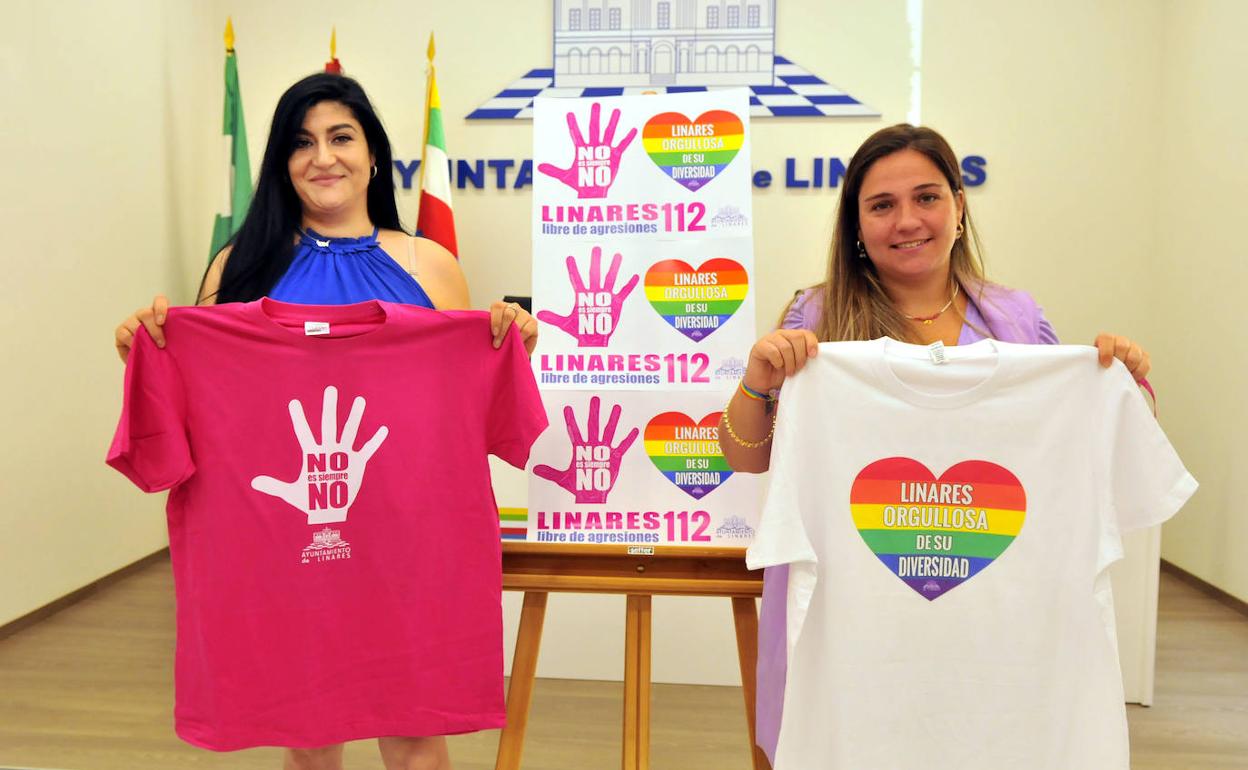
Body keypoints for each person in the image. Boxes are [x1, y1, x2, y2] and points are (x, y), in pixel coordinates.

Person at [112, 72, 536, 770]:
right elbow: (201, 398)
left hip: (406, 544)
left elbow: (457, 403)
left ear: (374, 155)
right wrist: (140, 348)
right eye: (301, 143)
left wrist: (509, 341)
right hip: (286, 548)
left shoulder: (430, 265)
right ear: (282, 161)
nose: (323, 157)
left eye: (342, 137)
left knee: (416, 734)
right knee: (308, 736)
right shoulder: (238, 265)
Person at [717, 123, 1152, 764]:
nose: (907, 220)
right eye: (882, 205)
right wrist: (758, 380)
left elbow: (1087, 446)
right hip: (853, 600)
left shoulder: (1015, 317)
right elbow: (748, 457)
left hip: (990, 595)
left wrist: (1125, 379)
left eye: (926, 197)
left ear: (958, 206)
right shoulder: (816, 318)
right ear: (856, 225)